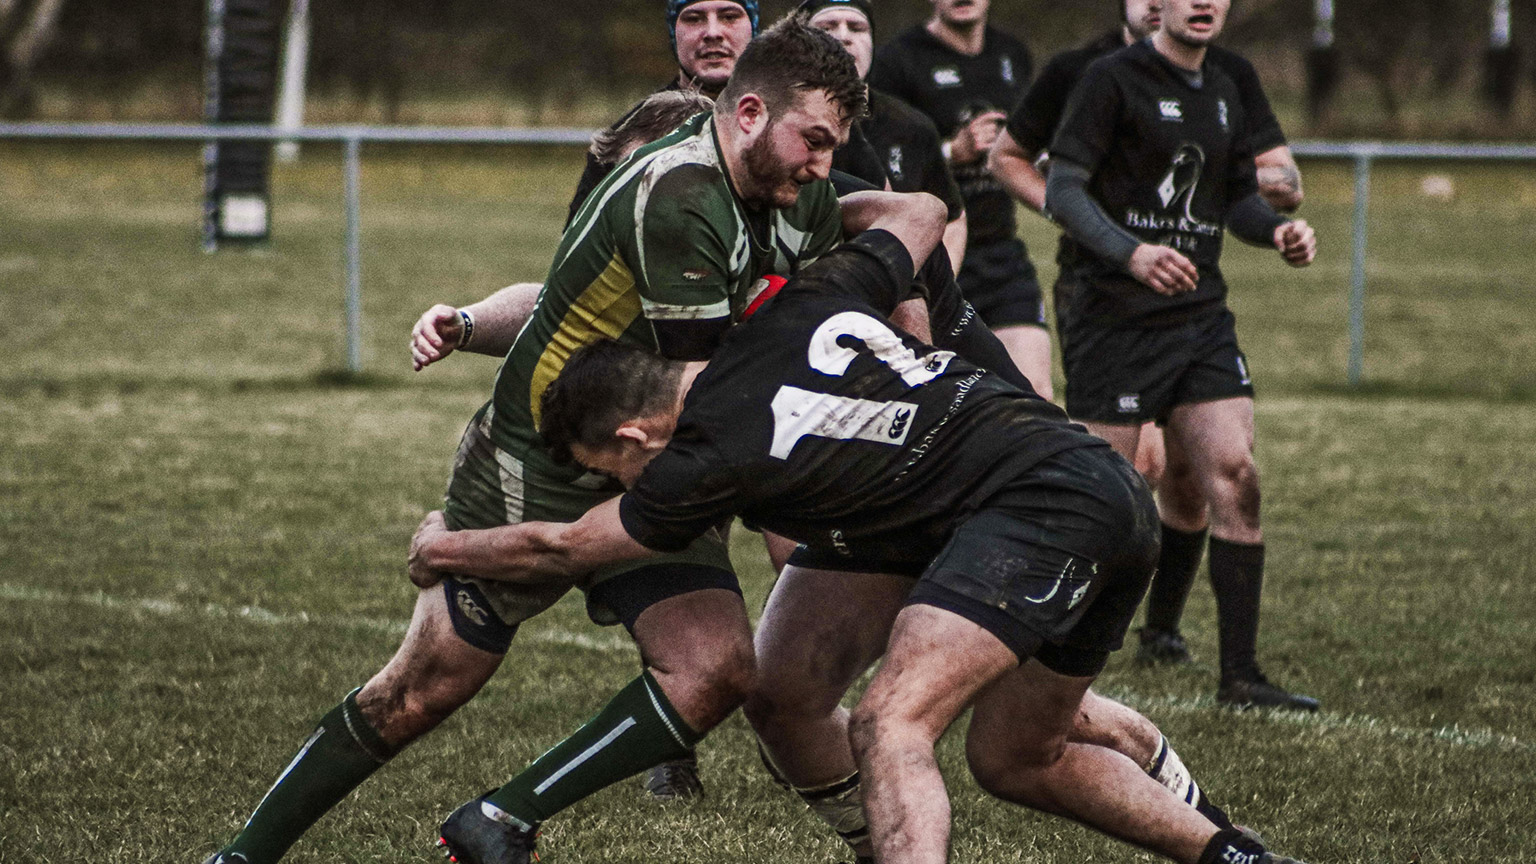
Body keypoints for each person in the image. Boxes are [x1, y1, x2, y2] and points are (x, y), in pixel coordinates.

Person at [408, 212, 1309, 864]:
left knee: (890, 722)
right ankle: (1236, 859)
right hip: (1040, 490)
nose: (618, 486)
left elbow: (568, 549)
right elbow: (918, 210)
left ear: (635, 438)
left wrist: (441, 548)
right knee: (998, 754)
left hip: (1042, 502)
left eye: (611, 470)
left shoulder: (700, 454)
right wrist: (880, 285)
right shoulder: (803, 299)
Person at [198, 20, 868, 864]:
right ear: (748, 114)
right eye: (812, 141)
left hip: (661, 451)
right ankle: (244, 856)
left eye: (833, 147)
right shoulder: (679, 194)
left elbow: (757, 359)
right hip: (542, 458)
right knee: (425, 688)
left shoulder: (794, 192)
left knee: (716, 668)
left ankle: (500, 820)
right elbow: (709, 400)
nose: (821, 166)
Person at [988, 0, 1307, 673]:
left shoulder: (1226, 83)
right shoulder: (1108, 78)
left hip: (1199, 314)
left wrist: (1275, 231)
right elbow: (1066, 192)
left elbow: (1235, 198)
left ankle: (1241, 676)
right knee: (1108, 494)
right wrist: (1130, 252)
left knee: (1235, 474)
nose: (1199, 3)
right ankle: (1052, 650)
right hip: (1113, 315)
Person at [869, 0, 1054, 400]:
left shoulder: (1013, 55)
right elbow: (883, 158)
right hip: (933, 257)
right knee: (938, 399)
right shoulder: (898, 61)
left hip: (1001, 254)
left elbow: (1026, 144)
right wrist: (955, 150)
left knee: (1033, 393)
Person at [568, 0, 887, 230]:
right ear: (673, 32)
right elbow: (581, 236)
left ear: (755, 28)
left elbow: (879, 209)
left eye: (729, 16)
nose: (712, 32)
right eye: (694, 18)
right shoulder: (641, 127)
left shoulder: (810, 118)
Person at [801, 0, 969, 275]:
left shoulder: (911, 125)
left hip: (896, 287)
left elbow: (953, 218)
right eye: (827, 27)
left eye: (857, 27)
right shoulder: (782, 126)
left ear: (872, 44)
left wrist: (939, 290)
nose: (844, 37)